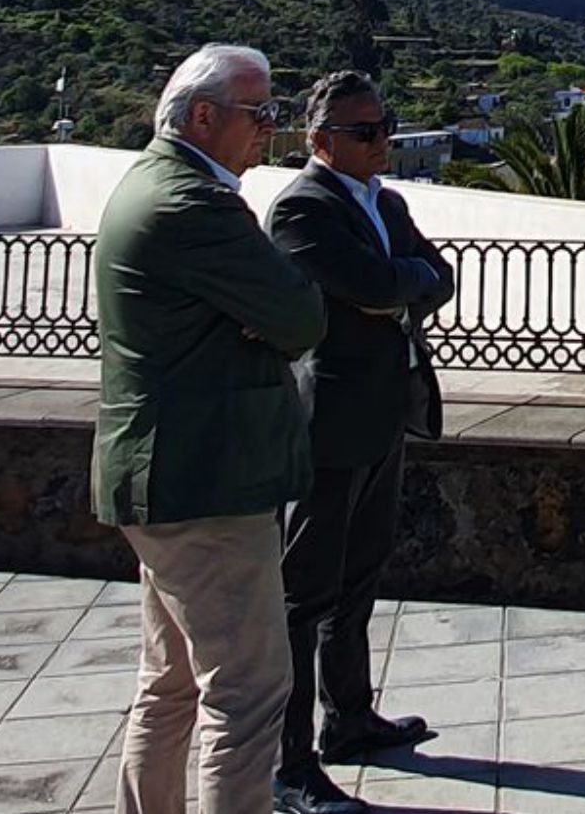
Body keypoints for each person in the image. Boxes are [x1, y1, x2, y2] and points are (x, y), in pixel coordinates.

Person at [92, 44, 327, 814]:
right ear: (204, 116)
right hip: (208, 481)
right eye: (258, 114)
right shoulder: (196, 205)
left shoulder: (149, 184)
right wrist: (262, 317)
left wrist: (259, 314)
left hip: (162, 478)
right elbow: (300, 313)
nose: (270, 129)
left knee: (169, 686)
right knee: (248, 693)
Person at [266, 72, 457, 814]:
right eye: (366, 131)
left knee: (361, 575)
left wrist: (397, 284)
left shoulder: (388, 201)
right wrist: (397, 284)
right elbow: (378, 285)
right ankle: (290, 762)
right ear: (320, 142)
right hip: (331, 421)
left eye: (385, 126)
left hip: (385, 415)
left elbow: (434, 278)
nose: (384, 141)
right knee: (304, 592)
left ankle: (349, 717)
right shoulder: (303, 208)